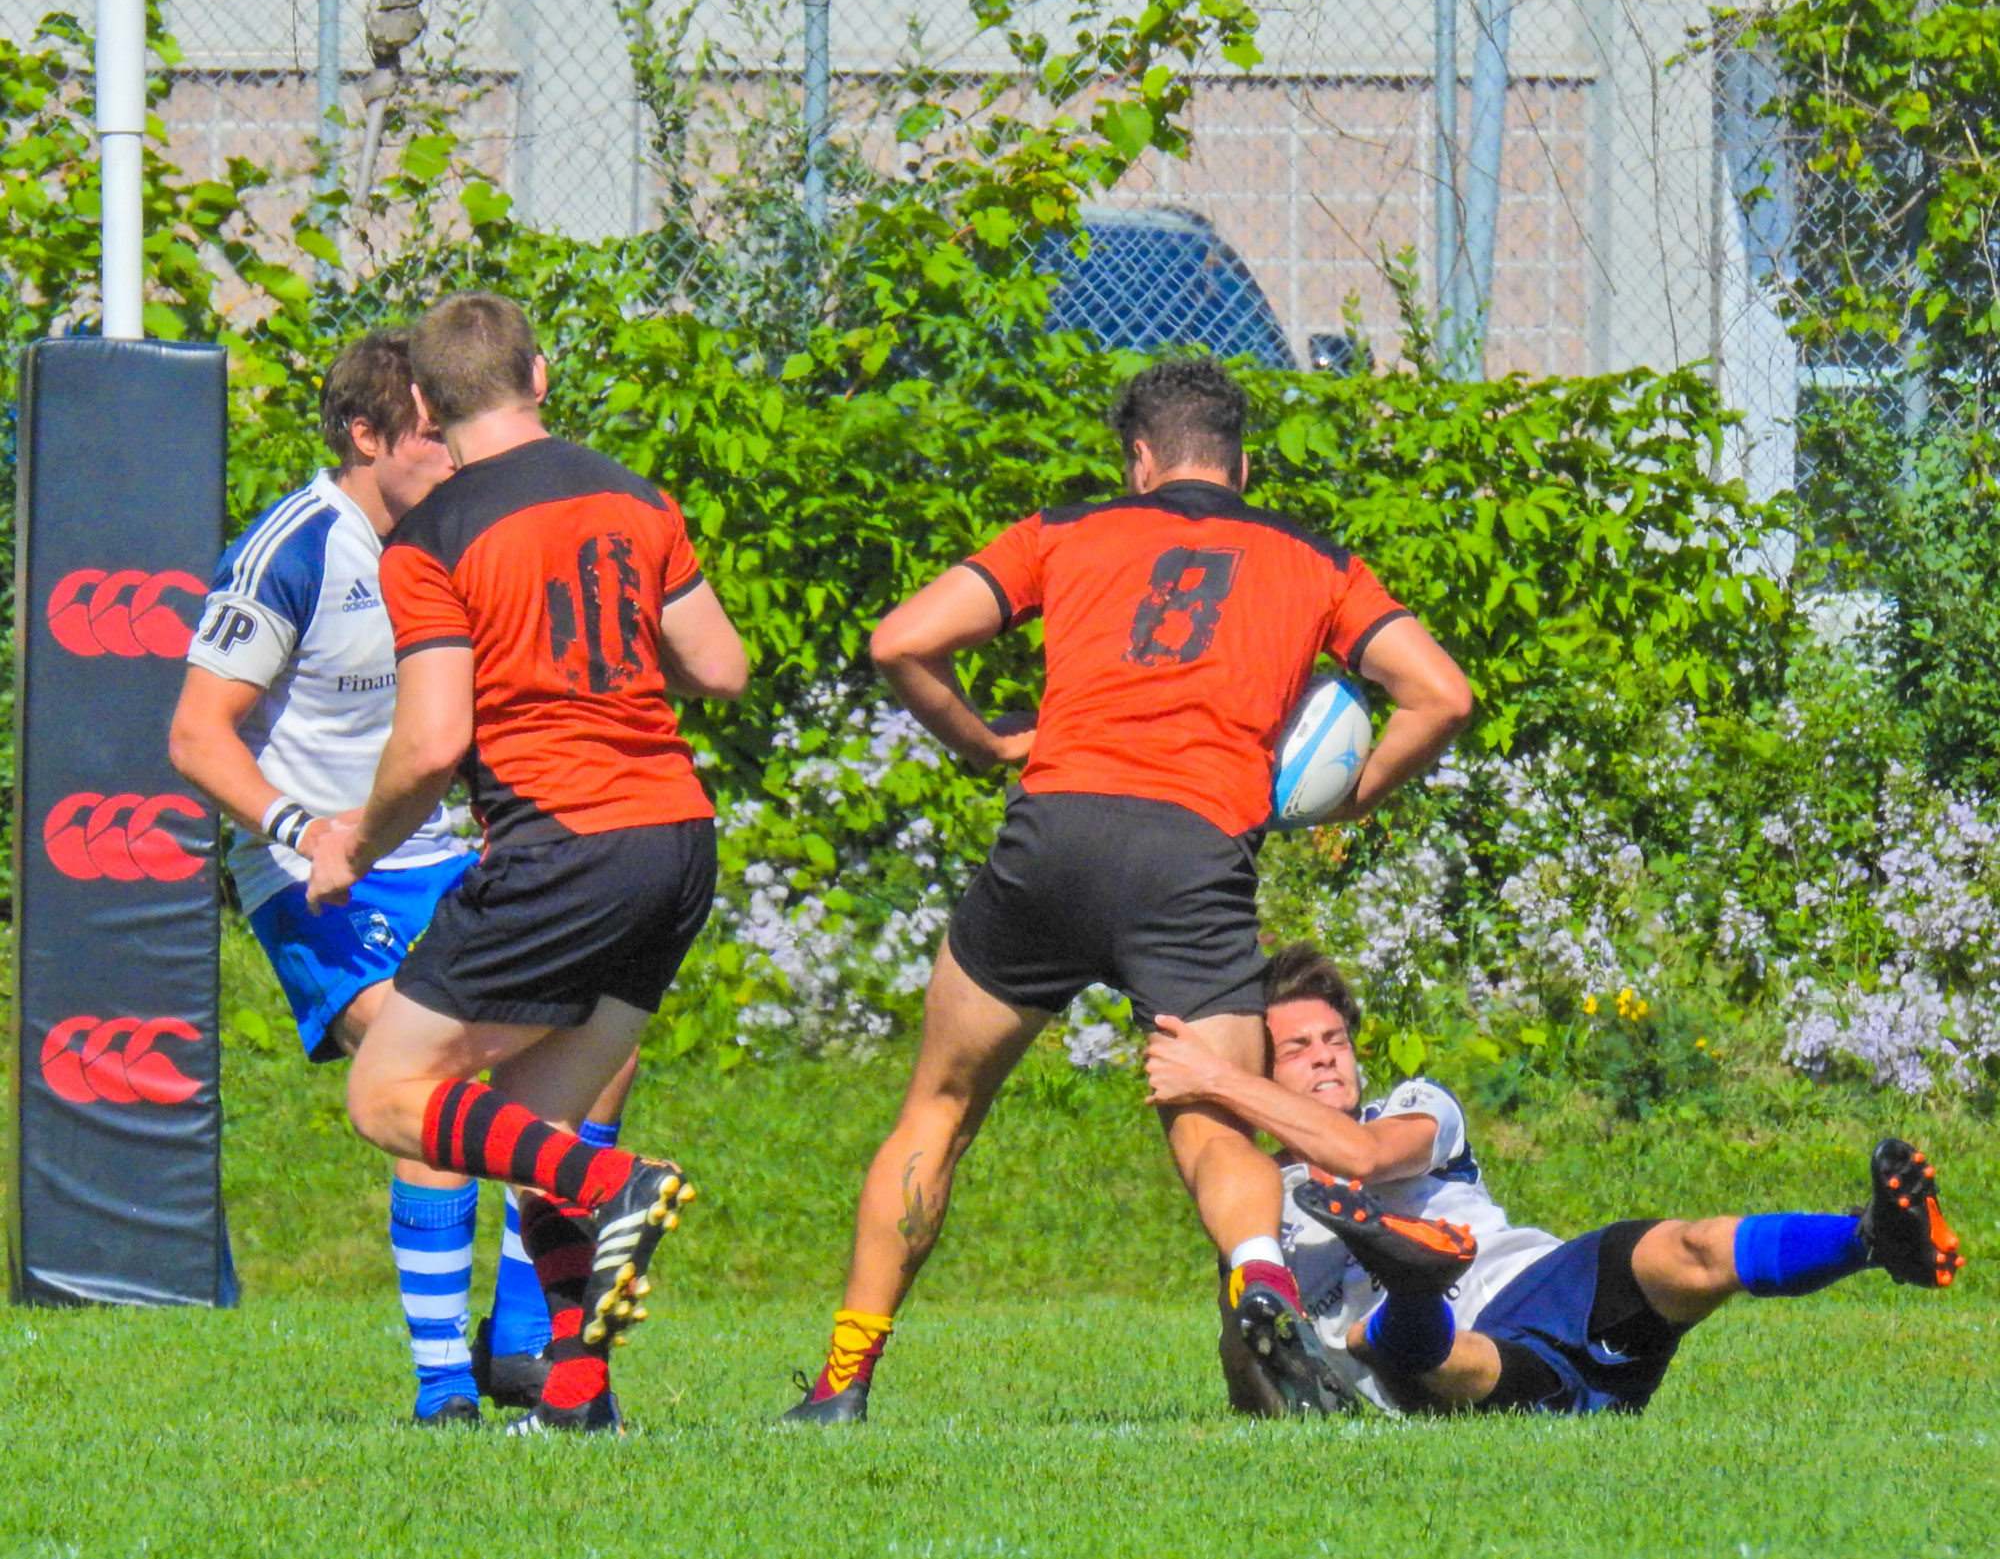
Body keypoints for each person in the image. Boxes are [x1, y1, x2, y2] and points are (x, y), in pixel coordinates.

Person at [784, 357, 1475, 1423]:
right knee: (1212, 1128)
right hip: (1191, 857)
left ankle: (841, 1381)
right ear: (1241, 465)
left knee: (940, 1105)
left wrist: (982, 741)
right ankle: (1261, 1276)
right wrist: (1350, 798)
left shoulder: (1066, 530)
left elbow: (900, 639)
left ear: (1137, 460)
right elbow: (1440, 693)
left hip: (1051, 835)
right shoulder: (1315, 559)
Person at [170, 329, 634, 1426]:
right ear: (367, 435)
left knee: (588, 1061)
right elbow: (196, 735)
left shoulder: (466, 528)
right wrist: (308, 829)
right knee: (436, 1079)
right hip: (317, 875)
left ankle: (523, 1344)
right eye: (431, 435)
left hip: (449, 857)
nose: (456, 450)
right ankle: (441, 1392)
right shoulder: (295, 546)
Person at [304, 292, 748, 1436]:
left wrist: (355, 841)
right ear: (540, 375)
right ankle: (577, 1402)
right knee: (533, 1126)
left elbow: (435, 738)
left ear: (424, 406)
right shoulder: (637, 495)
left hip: (564, 838)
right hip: (675, 841)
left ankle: (620, 1188)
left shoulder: (431, 537)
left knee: (388, 1093)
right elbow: (720, 664)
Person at [1143, 942, 1967, 1418]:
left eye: (1335, 1037)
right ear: (1262, 1065)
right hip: (1458, 1365)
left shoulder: (1415, 1104)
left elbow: (1362, 1158)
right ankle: (1414, 1282)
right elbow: (1254, 1368)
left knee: (1686, 1247)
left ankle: (1872, 1240)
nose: (1326, 1052)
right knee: (1390, 1342)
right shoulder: (1257, 1206)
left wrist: (1210, 1078)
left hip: (1533, 1274)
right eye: (1297, 1046)